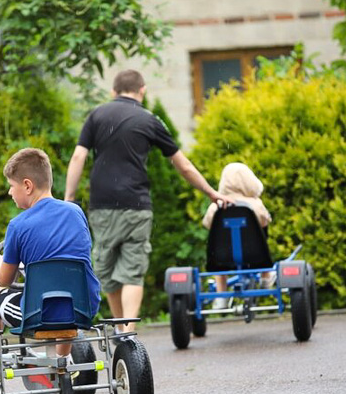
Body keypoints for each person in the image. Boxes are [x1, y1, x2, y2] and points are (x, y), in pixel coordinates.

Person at [65, 69, 235, 334]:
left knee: (105, 264)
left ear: (113, 91)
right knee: (132, 268)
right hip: (136, 203)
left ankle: (119, 327)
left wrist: (69, 199)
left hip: (102, 204)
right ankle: (127, 331)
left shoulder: (97, 115)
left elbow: (78, 158)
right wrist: (211, 193)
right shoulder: (149, 120)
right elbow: (184, 166)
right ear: (141, 90)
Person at [0, 148, 101, 360]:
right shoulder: (76, 213)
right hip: (83, 307)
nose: (9, 192)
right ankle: (62, 361)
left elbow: (4, 280)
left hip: (37, 315)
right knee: (65, 295)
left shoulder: (18, 226)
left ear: (27, 185)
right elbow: (64, 260)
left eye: (11, 186)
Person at [201, 161, 274, 308]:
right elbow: (265, 221)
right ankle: (266, 278)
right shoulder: (255, 204)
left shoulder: (216, 207)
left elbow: (207, 224)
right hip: (255, 256)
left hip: (223, 258)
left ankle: (221, 296)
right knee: (263, 237)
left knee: (218, 249)